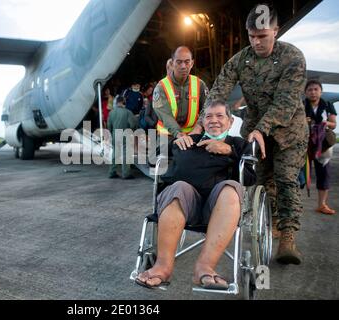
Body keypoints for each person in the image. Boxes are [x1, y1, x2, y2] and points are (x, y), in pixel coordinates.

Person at [204, 4, 308, 265]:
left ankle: (287, 237)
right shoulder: (241, 60)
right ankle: (269, 223)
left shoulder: (293, 58)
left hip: (288, 132)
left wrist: (261, 128)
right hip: (255, 132)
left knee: (284, 178)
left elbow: (285, 102)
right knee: (259, 180)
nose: (256, 41)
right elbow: (219, 91)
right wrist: (202, 123)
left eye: (262, 36)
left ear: (276, 30)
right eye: (252, 36)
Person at [135, 101, 256, 290]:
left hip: (219, 209)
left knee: (231, 188)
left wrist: (230, 152)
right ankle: (162, 267)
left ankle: (204, 267)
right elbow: (156, 156)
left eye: (219, 116)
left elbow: (249, 178)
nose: (214, 120)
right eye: (209, 117)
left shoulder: (239, 145)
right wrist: (176, 139)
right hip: (182, 204)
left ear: (230, 122)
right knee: (179, 187)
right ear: (203, 122)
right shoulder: (190, 141)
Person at [152, 46, 209, 144]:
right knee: (162, 158)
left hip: (193, 135)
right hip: (167, 137)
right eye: (179, 62)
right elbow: (166, 116)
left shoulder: (200, 84)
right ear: (172, 63)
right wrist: (179, 134)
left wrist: (199, 127)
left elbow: (207, 109)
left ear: (192, 63)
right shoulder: (161, 87)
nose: (183, 66)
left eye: (187, 62)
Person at [304, 79, 337, 215]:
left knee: (324, 174)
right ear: (305, 92)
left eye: (316, 89)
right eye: (310, 90)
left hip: (322, 145)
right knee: (299, 175)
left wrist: (325, 123)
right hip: (304, 144)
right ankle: (294, 206)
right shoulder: (301, 105)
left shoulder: (328, 105)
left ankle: (322, 205)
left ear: (321, 91)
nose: (313, 92)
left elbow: (333, 124)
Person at [107, 96, 138, 179]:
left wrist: (112, 132)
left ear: (116, 102)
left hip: (115, 134)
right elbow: (132, 124)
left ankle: (112, 172)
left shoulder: (111, 112)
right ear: (123, 102)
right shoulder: (127, 112)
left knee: (115, 153)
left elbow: (109, 125)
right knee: (125, 154)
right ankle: (126, 173)